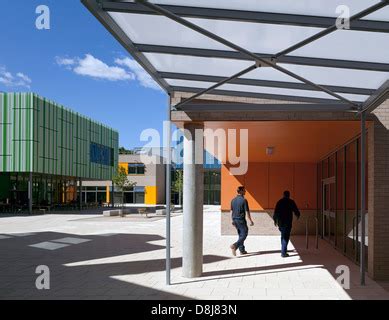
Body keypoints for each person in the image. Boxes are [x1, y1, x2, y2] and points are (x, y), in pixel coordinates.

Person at [273, 190, 300, 257]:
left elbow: (275, 212)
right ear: (289, 195)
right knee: (286, 236)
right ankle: (283, 252)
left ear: (283, 195)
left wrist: (275, 220)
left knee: (283, 235)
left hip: (281, 222)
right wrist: (298, 215)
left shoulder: (279, 202)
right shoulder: (291, 202)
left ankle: (283, 249)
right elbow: (296, 210)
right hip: (288, 222)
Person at [230, 186, 254, 256]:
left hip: (235, 219)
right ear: (240, 191)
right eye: (244, 190)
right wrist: (251, 221)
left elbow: (231, 211)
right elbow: (247, 212)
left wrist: (232, 220)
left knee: (240, 235)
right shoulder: (244, 200)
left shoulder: (233, 200)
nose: (245, 192)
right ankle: (235, 245)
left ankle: (242, 250)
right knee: (244, 234)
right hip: (241, 220)